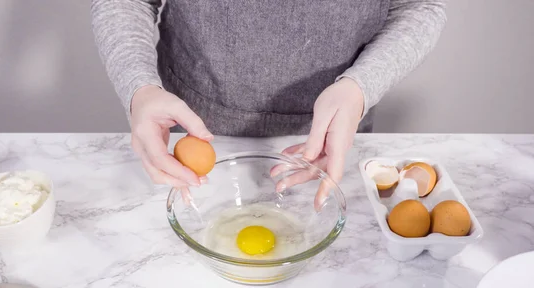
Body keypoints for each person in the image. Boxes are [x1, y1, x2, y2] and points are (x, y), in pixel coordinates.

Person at [91, 0, 446, 187]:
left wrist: (361, 86)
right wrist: (139, 87)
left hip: (329, 145)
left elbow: (418, 6)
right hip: (188, 135)